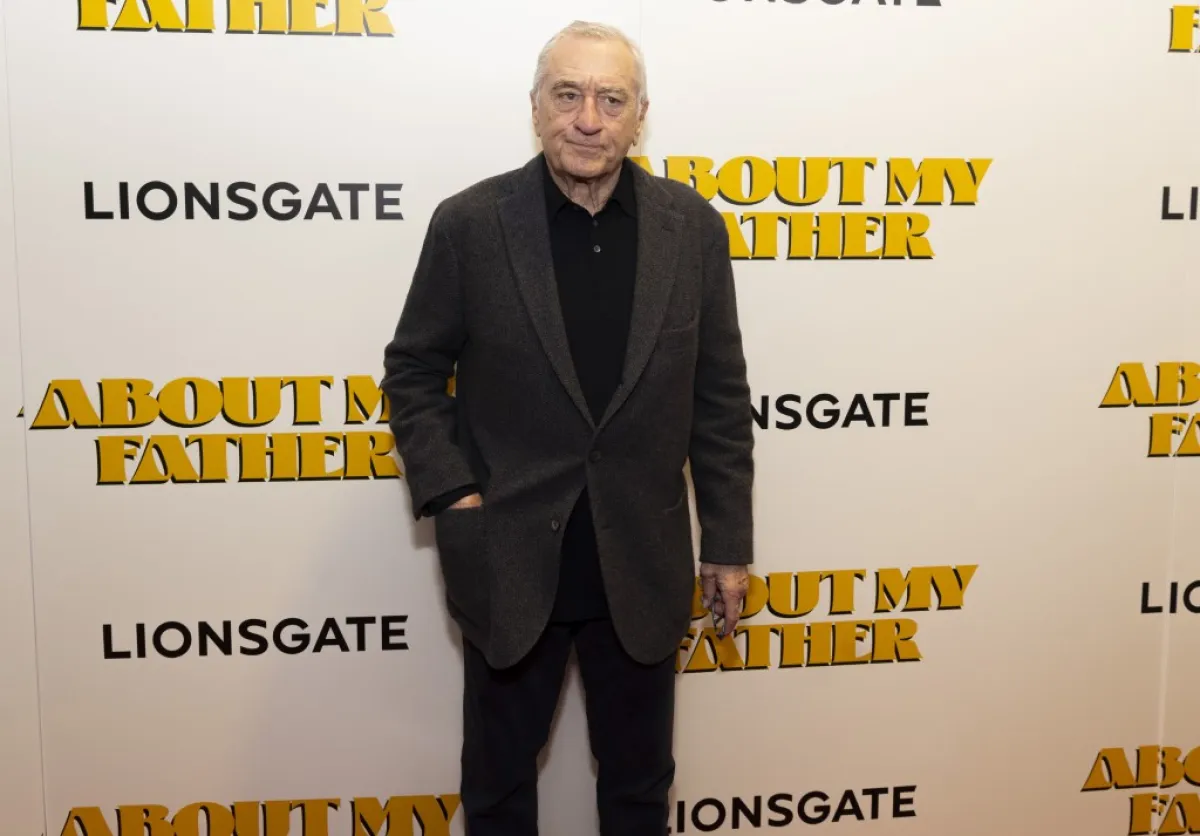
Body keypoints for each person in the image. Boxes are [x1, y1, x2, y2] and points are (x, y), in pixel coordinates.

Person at [381, 20, 754, 836]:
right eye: (569, 95)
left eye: (610, 99)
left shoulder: (692, 229)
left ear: (640, 115)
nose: (588, 118)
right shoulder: (471, 224)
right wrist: (455, 496)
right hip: (510, 558)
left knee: (637, 794)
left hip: (643, 564)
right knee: (499, 793)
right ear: (536, 107)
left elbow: (720, 394)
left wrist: (726, 540)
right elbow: (412, 371)